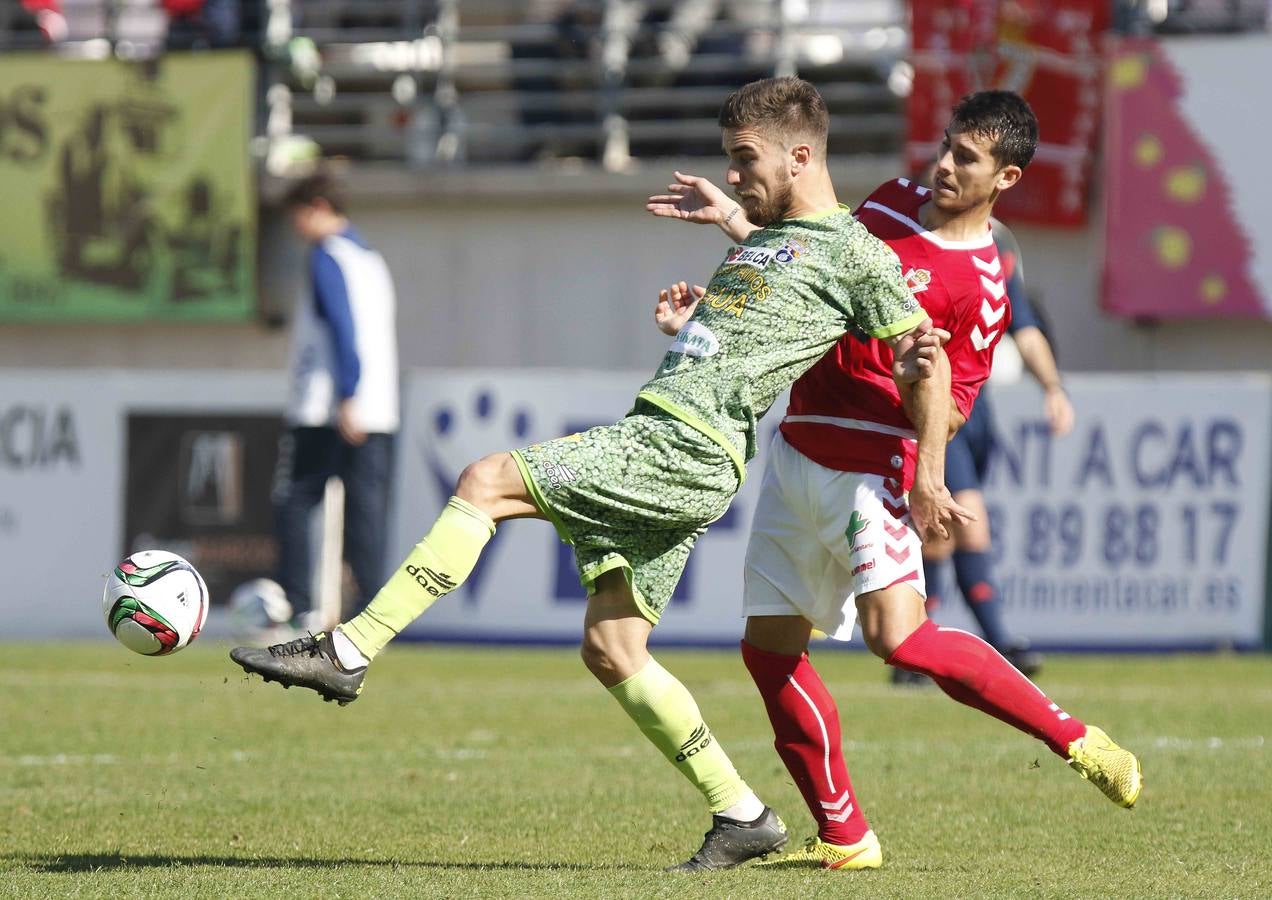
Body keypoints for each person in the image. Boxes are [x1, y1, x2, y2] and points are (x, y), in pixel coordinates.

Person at [230, 76, 961, 872]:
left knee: (485, 479)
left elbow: (927, 359)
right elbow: (766, 325)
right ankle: (742, 813)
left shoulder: (859, 252)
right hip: (679, 438)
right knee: (613, 647)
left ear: (800, 153)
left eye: (745, 160)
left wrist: (928, 474)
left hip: (682, 446)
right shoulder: (769, 239)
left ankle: (350, 650)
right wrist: (693, 325)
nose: (737, 174)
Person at [645, 90, 1141, 871]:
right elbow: (806, 274)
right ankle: (845, 834)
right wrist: (730, 250)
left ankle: (1078, 740)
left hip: (872, 465)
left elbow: (951, 407)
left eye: (967, 159)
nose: (944, 165)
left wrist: (924, 435)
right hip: (797, 444)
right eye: (946, 146)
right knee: (768, 653)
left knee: (898, 637)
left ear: (1004, 179)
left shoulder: (981, 286)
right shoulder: (890, 202)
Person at [904, 215, 1076, 682]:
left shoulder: (996, 242)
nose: (949, 171)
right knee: (961, 527)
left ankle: (917, 649)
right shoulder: (909, 229)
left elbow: (1023, 324)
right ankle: (993, 643)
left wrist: (1053, 387)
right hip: (935, 399)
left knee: (943, 533)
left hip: (975, 407)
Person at [272, 170, 400, 630]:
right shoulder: (371, 258)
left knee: (294, 499)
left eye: (298, 215)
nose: (295, 227)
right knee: (367, 515)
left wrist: (348, 393)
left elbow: (343, 329)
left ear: (319, 207)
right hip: (379, 407)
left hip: (328, 406)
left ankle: (294, 604)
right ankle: (370, 616)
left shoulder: (327, 256)